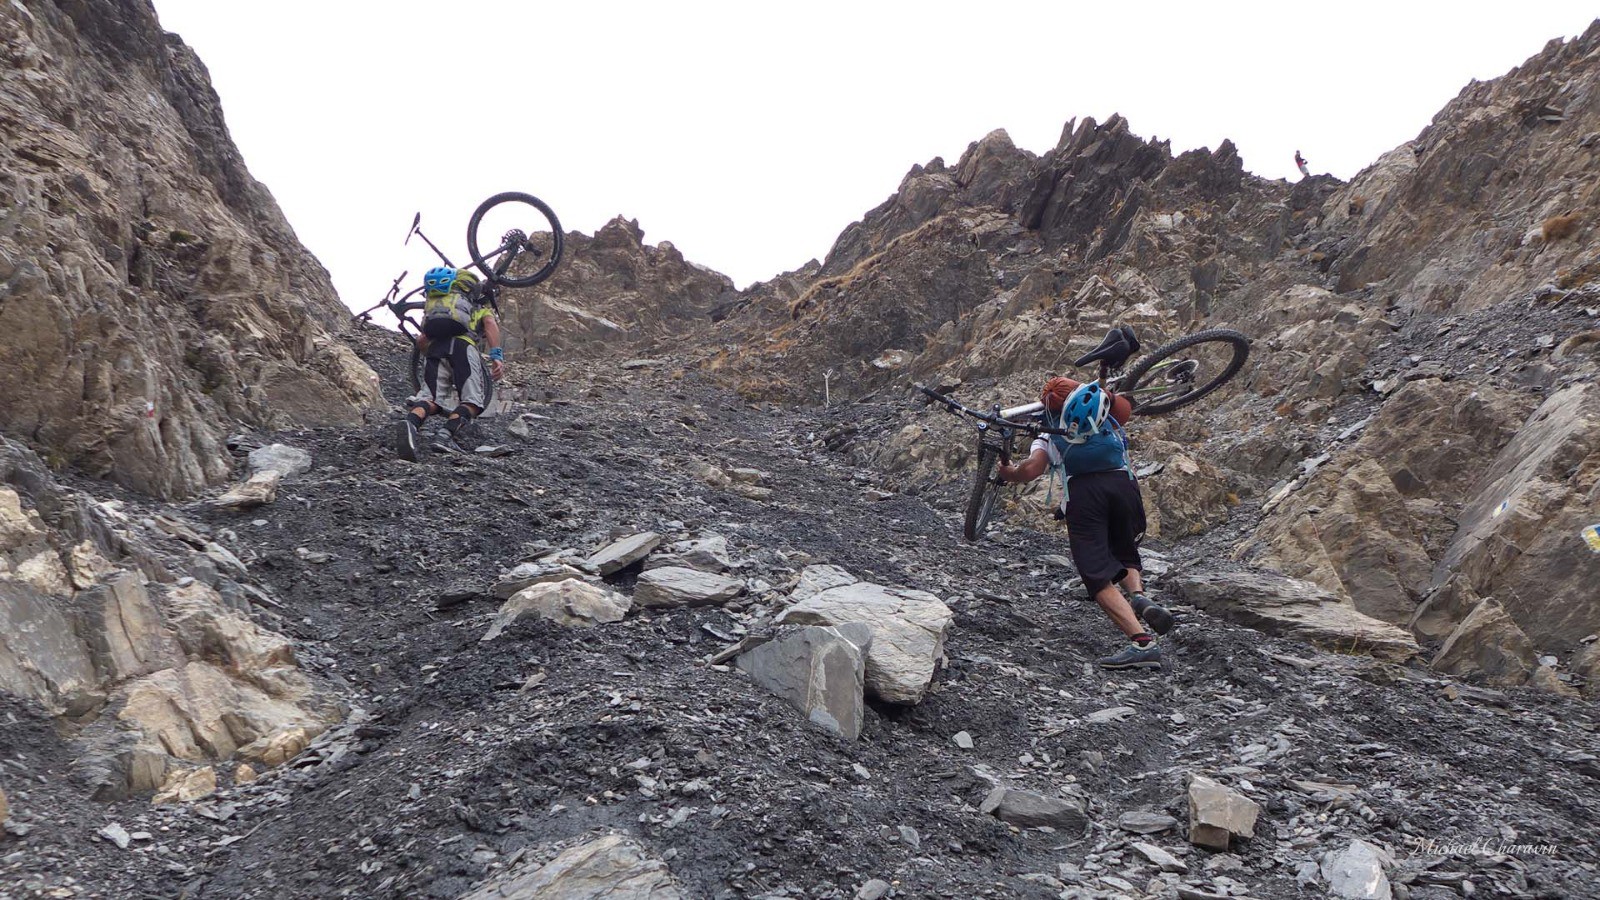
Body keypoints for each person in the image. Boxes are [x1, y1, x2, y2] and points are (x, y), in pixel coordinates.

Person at [996, 349, 1175, 670]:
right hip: (1124, 485)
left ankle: (1142, 643)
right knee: (1123, 550)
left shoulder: (1048, 427)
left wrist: (1007, 473)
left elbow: (1031, 470)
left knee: (1096, 575)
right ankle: (1138, 596)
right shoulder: (1103, 410)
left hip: (1085, 494)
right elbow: (1127, 410)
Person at [396, 266, 504, 460]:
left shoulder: (438, 310)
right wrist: (496, 355)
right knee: (472, 402)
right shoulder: (476, 308)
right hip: (464, 347)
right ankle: (445, 436)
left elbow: (421, 341)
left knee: (430, 398)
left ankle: (411, 424)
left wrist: (429, 356)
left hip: (436, 349)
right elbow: (490, 324)